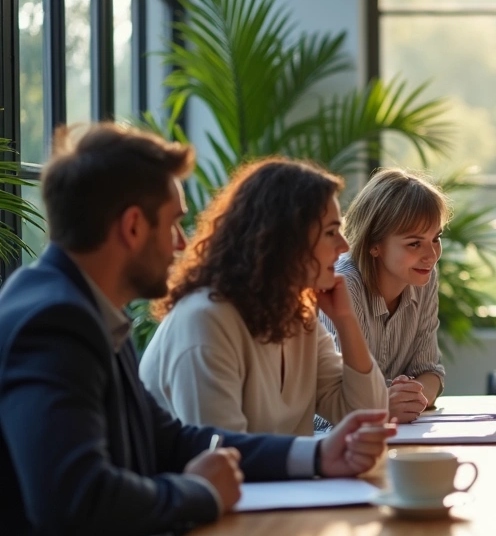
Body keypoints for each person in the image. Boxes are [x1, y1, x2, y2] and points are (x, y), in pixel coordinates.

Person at [0, 123, 394, 536]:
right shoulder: (56, 320)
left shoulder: (88, 308)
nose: (183, 244)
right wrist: (198, 492)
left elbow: (172, 439)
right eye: (173, 224)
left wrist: (316, 456)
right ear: (131, 227)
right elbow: (76, 501)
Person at [139, 157, 392, 435]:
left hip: (282, 479)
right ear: (286, 239)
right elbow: (222, 454)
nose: (344, 247)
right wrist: (317, 457)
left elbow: (369, 415)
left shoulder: (296, 315)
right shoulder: (205, 321)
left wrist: (346, 320)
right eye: (331, 232)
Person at [319, 169, 446, 417]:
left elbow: (430, 370)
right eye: (414, 243)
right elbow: (338, 395)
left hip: (394, 432)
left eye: (436, 238)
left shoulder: (423, 277)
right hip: (332, 437)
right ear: (373, 245)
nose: (431, 255)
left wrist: (413, 395)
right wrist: (384, 404)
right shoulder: (344, 283)